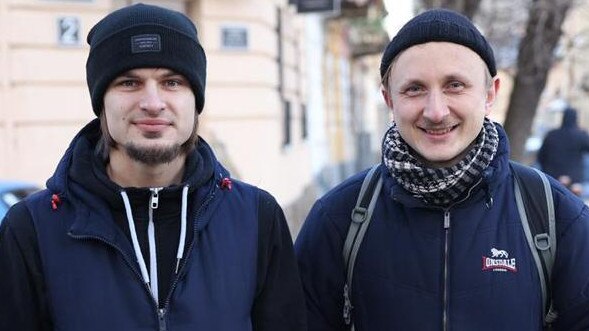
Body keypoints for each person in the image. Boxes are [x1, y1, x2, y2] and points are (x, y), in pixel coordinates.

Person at [0, 4, 306, 330]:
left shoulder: (256, 218)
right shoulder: (32, 229)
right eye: (129, 83)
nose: (153, 103)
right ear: (101, 101)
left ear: (195, 98)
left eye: (172, 82)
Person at [295, 8, 589, 330]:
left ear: (490, 94)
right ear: (389, 100)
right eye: (414, 89)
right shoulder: (339, 218)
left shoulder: (554, 216)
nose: (436, 111)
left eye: (455, 85)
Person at [538, 106, 589, 196]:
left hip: (553, 178)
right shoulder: (581, 136)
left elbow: (541, 156)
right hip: (574, 181)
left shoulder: (552, 135)